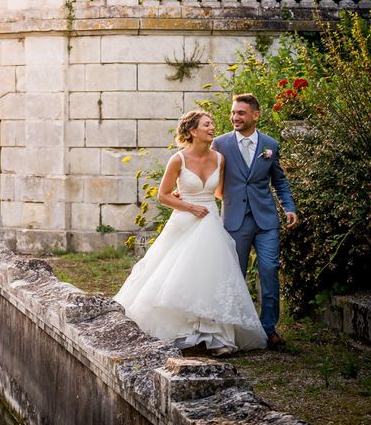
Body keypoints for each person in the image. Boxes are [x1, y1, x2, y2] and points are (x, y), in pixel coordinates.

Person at [114, 110, 267, 356]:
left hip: (211, 221)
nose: (212, 127)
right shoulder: (178, 160)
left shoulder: (219, 158)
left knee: (212, 273)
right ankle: (184, 331)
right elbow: (163, 196)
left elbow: (218, 193)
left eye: (212, 124)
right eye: (206, 125)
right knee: (178, 274)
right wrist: (188, 204)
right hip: (185, 221)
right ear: (193, 131)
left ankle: (215, 334)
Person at [212, 93, 298, 348]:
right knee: (234, 275)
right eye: (233, 112)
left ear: (255, 115)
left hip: (266, 219)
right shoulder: (220, 144)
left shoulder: (270, 145)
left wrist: (288, 207)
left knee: (269, 270)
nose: (235, 117)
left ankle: (269, 328)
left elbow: (279, 180)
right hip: (235, 219)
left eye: (241, 113)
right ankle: (236, 330)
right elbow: (207, 173)